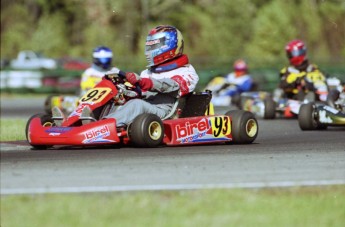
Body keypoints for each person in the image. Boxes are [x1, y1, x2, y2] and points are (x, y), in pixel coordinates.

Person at [102, 25, 199, 127]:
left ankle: (102, 128)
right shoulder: (148, 72)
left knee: (137, 104)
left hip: (165, 112)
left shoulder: (186, 71)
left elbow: (171, 85)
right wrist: (125, 91)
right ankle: (91, 121)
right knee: (115, 99)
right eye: (149, 46)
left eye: (153, 46)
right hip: (147, 110)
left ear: (169, 45)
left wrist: (144, 82)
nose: (149, 51)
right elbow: (141, 93)